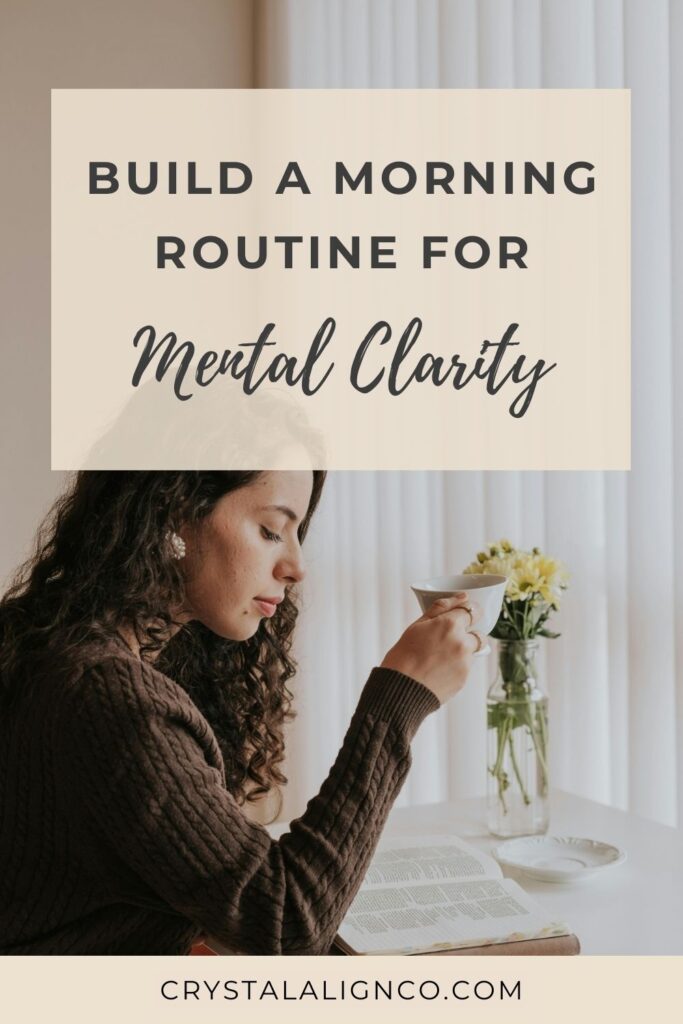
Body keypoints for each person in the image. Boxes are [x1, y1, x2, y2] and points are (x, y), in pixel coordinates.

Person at [0, 470, 482, 955]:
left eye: (297, 534)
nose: (296, 566)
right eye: (271, 531)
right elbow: (285, 927)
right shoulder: (107, 698)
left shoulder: (53, 642)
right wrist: (400, 699)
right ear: (174, 514)